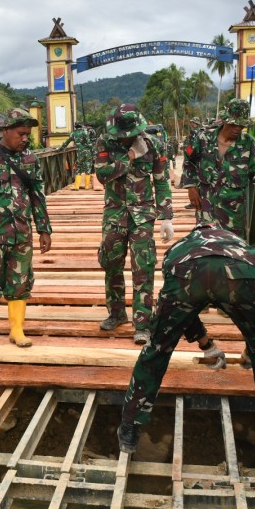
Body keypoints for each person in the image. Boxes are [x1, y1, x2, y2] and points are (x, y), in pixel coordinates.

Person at [117, 222, 255, 458]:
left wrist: (205, 344)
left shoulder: (180, 247)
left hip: (187, 272)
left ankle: (130, 427)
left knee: (158, 349)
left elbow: (183, 313)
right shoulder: (242, 246)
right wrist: (252, 347)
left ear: (196, 232)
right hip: (241, 272)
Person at [0, 108, 53, 348]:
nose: (25, 138)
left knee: (20, 282)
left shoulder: (30, 159)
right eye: (21, 133)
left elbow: (38, 195)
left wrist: (44, 229)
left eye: (28, 134)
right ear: (6, 130)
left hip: (21, 233)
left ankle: (17, 329)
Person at [95, 104, 174, 345]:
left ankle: (142, 323)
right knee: (111, 264)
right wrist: (129, 157)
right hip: (114, 214)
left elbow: (161, 181)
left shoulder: (154, 144)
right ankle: (116, 313)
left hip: (143, 215)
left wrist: (166, 217)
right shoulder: (105, 142)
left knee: (143, 268)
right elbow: (102, 175)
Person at [181, 98, 255, 237]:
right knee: (206, 249)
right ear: (224, 121)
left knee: (232, 253)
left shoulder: (248, 143)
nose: (237, 129)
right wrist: (191, 186)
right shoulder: (203, 138)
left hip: (233, 214)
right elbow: (189, 161)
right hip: (206, 209)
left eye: (241, 126)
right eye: (234, 125)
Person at [57, 122, 95, 191]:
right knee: (88, 168)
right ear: (81, 126)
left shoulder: (73, 134)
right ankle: (86, 186)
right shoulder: (85, 132)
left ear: (75, 127)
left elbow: (66, 143)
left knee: (78, 168)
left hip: (79, 153)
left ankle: (77, 186)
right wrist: (94, 153)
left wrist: (60, 149)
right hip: (87, 153)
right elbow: (89, 144)